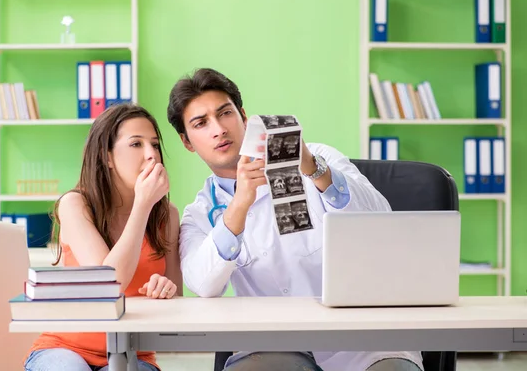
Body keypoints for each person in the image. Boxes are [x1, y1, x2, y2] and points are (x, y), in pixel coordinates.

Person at [166, 68, 423, 371]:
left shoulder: (318, 158)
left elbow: (379, 217)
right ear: (187, 142)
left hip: (363, 343)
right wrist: (239, 205)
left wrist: (314, 169)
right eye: (201, 123)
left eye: (225, 113)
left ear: (244, 117)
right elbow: (203, 284)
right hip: (273, 346)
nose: (219, 129)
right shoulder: (199, 213)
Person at [24, 104, 183, 371]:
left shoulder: (167, 215)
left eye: (155, 145)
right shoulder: (75, 205)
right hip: (64, 348)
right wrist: (142, 206)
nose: (151, 155)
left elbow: (177, 293)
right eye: (136, 144)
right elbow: (109, 283)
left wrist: (165, 288)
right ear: (106, 156)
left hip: (136, 353)